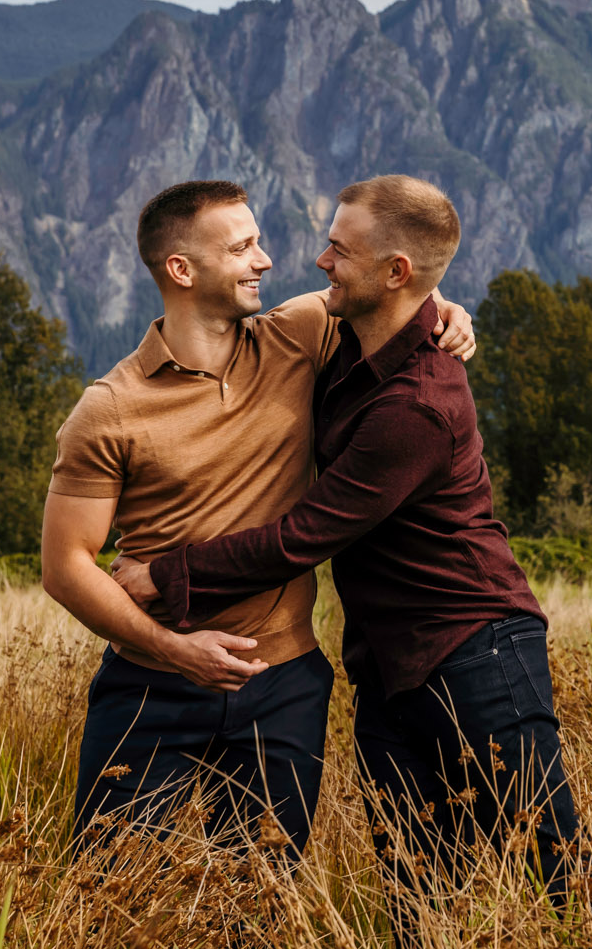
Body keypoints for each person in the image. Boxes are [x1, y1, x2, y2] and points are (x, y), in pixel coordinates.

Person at [113, 174, 592, 928]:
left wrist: (164, 574)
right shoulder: (345, 338)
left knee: (554, 851)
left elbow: (305, 536)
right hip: (386, 667)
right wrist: (446, 307)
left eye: (338, 250)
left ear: (394, 272)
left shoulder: (418, 404)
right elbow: (398, 304)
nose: (318, 262)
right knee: (416, 887)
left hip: (474, 651)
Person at [39, 178, 477, 856]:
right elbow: (66, 566)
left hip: (284, 690)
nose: (266, 260)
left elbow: (392, 286)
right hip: (151, 684)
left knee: (262, 907)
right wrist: (176, 652)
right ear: (182, 270)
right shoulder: (108, 409)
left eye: (259, 241)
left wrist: (448, 310)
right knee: (111, 897)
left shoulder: (299, 334)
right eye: (243, 247)